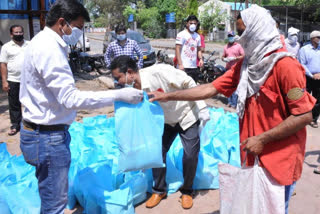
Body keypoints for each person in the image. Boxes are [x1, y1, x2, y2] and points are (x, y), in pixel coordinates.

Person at [149, 5, 316, 214]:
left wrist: (263, 139)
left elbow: (303, 115)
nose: (240, 39)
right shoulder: (247, 65)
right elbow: (211, 88)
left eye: (242, 32)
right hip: (252, 153)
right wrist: (168, 95)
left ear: (257, 30)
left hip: (279, 157)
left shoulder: (285, 66)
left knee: (274, 208)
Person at [19, 1, 143, 213]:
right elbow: (70, 98)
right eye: (77, 27)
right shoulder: (48, 48)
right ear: (62, 23)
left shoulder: (43, 43)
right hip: (47, 137)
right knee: (54, 203)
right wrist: (118, 95)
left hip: (43, 133)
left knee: (50, 194)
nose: (79, 32)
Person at [110, 55, 210, 210]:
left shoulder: (160, 71)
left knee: (190, 154)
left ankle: (187, 191)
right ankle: (159, 189)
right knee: (157, 152)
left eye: (118, 78)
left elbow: (188, 82)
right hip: (165, 120)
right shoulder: (131, 90)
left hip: (186, 114)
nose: (117, 82)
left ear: (130, 72)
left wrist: (202, 107)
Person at [0, 25, 29, 136]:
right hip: (13, 79)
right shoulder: (6, 47)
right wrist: (4, 81)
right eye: (16, 33)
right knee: (14, 104)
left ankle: (31, 123)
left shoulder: (30, 45)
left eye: (20, 32)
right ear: (11, 34)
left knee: (31, 102)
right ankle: (15, 125)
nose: (18, 34)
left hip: (29, 80)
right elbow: (3, 64)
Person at [298, 30, 320, 129]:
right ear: (312, 38)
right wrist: (311, 75)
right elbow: (302, 64)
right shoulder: (304, 49)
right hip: (308, 77)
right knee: (304, 97)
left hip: (319, 77)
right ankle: (302, 117)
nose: (319, 39)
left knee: (318, 99)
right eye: (318, 37)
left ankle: (314, 118)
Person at [176, 15, 203, 83]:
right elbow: (177, 49)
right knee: (182, 88)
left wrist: (200, 59)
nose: (193, 25)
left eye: (194, 23)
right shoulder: (181, 34)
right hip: (184, 66)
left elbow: (199, 49)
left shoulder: (197, 36)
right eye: (191, 23)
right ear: (187, 23)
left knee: (192, 87)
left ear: (197, 24)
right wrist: (180, 64)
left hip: (193, 67)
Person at [221, 31, 245, 108]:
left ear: (234, 37)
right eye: (229, 36)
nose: (230, 37)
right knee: (228, 86)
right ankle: (229, 101)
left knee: (234, 87)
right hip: (228, 68)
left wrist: (235, 58)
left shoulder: (238, 46)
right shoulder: (226, 47)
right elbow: (222, 56)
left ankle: (234, 103)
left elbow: (243, 56)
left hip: (236, 69)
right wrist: (224, 59)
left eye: (231, 36)